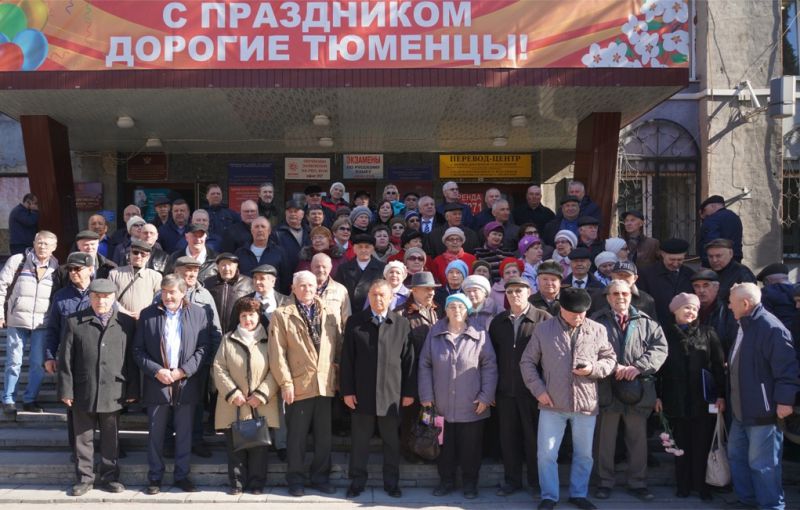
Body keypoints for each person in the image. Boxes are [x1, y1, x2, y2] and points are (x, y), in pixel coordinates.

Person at [519, 287, 617, 510]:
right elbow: (527, 362)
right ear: (561, 309)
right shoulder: (543, 329)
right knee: (546, 454)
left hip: (586, 403)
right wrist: (539, 390)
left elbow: (610, 359)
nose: (579, 317)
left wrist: (593, 369)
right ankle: (549, 496)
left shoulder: (597, 329)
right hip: (551, 403)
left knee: (584, 455)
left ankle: (578, 494)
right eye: (574, 313)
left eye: (583, 313)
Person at [57, 278, 138, 497]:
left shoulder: (126, 323)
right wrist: (66, 390)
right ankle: (85, 478)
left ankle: (110, 477)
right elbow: (65, 359)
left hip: (114, 389)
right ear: (90, 298)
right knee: (82, 438)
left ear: (114, 298)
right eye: (96, 297)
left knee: (111, 437)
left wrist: (132, 389)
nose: (101, 301)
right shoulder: (74, 322)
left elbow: (131, 359)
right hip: (84, 389)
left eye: (106, 297)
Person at [268, 271, 345, 497]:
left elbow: (337, 346)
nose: (307, 289)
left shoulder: (328, 312)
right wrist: (286, 383)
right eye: (302, 285)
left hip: (324, 382)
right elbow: (277, 353)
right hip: (298, 384)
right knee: (297, 436)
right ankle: (295, 479)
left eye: (311, 285)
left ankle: (320, 477)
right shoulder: (282, 314)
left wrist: (337, 377)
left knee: (324, 437)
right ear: (293, 288)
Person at [133, 275, 211, 495]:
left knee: (185, 433)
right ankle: (155, 477)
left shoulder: (198, 313)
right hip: (157, 382)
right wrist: (156, 371)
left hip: (185, 381)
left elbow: (203, 349)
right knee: (156, 433)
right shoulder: (148, 314)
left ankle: (182, 475)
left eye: (172, 292)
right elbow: (138, 350)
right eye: (165, 291)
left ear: (183, 292)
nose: (168, 296)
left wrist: (183, 371)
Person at [591, 280, 668, 502]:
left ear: (631, 296)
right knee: (604, 440)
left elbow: (660, 349)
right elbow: (586, 348)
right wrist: (612, 367)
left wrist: (638, 367)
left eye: (624, 293)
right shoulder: (596, 321)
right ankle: (604, 482)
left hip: (638, 390)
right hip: (606, 387)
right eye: (615, 294)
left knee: (637, 439)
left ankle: (638, 483)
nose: (620, 297)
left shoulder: (647, 322)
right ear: (608, 298)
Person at [726, 283, 799, 510]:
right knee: (737, 456)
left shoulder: (771, 328)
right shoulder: (744, 324)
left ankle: (771, 506)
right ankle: (747, 500)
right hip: (741, 409)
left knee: (763, 464)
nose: (729, 306)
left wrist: (785, 401)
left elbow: (787, 369)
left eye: (731, 302)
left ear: (745, 303)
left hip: (763, 412)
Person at [418, 293, 497, 499]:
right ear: (445, 310)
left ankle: (470, 484)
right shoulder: (435, 332)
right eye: (452, 306)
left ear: (468, 310)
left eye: (461, 307)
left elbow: (489, 365)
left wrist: (486, 396)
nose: (456, 310)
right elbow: (425, 364)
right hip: (440, 405)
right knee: (444, 447)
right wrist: (426, 395)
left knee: (471, 448)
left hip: (472, 404)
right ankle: (446, 482)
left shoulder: (480, 333)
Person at [341, 279, 415, 499]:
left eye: (383, 294)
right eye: (374, 294)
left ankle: (392, 483)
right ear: (369, 297)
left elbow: (409, 361)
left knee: (391, 441)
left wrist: (409, 392)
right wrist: (347, 391)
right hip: (361, 393)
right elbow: (347, 359)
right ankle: (357, 482)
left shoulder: (401, 324)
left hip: (392, 394)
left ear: (391, 297)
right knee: (360, 441)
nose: (378, 298)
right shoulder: (355, 322)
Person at [656, 292, 725, 501]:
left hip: (703, 400)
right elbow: (657, 369)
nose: (691, 312)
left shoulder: (708, 333)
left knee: (702, 444)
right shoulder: (664, 334)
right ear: (675, 310)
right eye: (686, 307)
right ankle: (683, 485)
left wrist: (720, 395)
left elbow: (718, 367)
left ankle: (703, 486)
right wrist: (657, 396)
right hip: (675, 399)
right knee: (680, 444)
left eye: (694, 309)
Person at [489, 277, 551, 497]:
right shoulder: (498, 321)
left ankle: (536, 483)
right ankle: (512, 481)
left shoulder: (544, 318)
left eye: (519, 290)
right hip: (505, 391)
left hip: (534, 393)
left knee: (534, 439)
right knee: (508, 439)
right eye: (510, 291)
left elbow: (551, 357)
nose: (514, 295)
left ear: (529, 292)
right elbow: (492, 358)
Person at [212, 297, 278, 495]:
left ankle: (257, 483)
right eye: (243, 316)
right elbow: (218, 368)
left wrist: (261, 394)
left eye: (251, 315)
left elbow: (276, 370)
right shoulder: (227, 339)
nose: (248, 319)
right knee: (235, 447)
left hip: (261, 404)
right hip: (234, 404)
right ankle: (237, 483)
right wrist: (233, 393)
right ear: (238, 318)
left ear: (258, 316)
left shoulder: (270, 339)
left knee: (259, 447)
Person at [0, 230, 59, 414]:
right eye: (39, 242)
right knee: (14, 361)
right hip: (17, 319)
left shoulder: (56, 267)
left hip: (42, 322)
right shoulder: (18, 261)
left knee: (38, 363)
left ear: (54, 247)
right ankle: (8, 399)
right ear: (33, 243)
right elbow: (1, 285)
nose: (42, 246)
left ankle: (30, 399)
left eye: (47, 244)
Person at [394, 271, 441, 461]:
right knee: (409, 416)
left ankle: (429, 450)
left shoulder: (439, 311)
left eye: (433, 289)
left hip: (435, 374)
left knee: (430, 417)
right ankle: (408, 453)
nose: (431, 292)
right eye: (426, 289)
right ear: (414, 290)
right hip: (410, 374)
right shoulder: (400, 314)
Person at [637, 238, 695, 325]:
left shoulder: (690, 274)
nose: (675, 264)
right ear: (663, 254)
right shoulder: (646, 274)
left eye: (680, 260)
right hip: (656, 325)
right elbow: (642, 303)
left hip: (684, 326)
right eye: (672, 260)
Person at [108, 240, 163, 319]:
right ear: (130, 254)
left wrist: (143, 313)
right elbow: (108, 297)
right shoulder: (114, 273)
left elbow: (158, 300)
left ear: (148, 257)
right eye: (135, 252)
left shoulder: (156, 277)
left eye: (143, 254)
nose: (138, 256)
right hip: (119, 318)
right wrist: (123, 311)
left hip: (144, 319)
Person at [691, 268, 738, 355]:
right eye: (696, 286)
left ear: (716, 287)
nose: (701, 290)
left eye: (706, 285)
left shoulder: (728, 312)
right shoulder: (689, 312)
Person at [234, 217, 288, 292]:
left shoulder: (279, 252)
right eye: (256, 227)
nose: (260, 230)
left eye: (263, 226)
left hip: (271, 297)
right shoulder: (240, 253)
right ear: (251, 231)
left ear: (269, 231)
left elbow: (285, 279)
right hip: (246, 296)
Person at [204, 253, 254, 334]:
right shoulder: (208, 283)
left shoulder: (248, 283)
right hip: (213, 332)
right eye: (223, 265)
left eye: (230, 265)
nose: (227, 269)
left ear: (236, 266)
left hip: (238, 333)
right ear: (217, 266)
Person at [335, 233, 386, 312]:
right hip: (350, 311)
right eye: (360, 247)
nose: (363, 250)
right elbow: (338, 292)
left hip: (373, 311)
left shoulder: (382, 268)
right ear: (354, 249)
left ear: (372, 249)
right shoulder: (343, 269)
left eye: (367, 247)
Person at [706, 238, 756, 302]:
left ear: (731, 254)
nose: (714, 260)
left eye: (718, 256)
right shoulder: (708, 274)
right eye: (710, 256)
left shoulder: (742, 273)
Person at [698, 195, 743, 265]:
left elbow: (711, 243)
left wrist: (706, 262)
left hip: (717, 261)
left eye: (705, 210)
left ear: (713, 206)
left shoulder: (712, 219)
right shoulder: (735, 217)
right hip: (735, 259)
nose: (705, 214)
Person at [310, 253, 352, 322]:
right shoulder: (301, 289)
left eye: (324, 267)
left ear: (330, 268)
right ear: (311, 267)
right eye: (317, 266)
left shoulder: (341, 290)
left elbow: (347, 319)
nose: (321, 270)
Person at [756, 263, 797, 330]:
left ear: (766, 281)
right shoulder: (797, 290)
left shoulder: (766, 292)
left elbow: (764, 319)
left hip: (778, 332)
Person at [274, 200, 311, 272]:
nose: (293, 214)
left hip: (306, 274)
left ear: (302, 214)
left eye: (296, 211)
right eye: (290, 211)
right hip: (284, 274)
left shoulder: (309, 231)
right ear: (286, 213)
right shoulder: (276, 232)